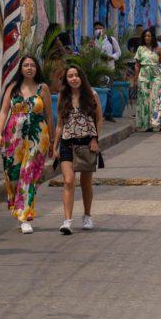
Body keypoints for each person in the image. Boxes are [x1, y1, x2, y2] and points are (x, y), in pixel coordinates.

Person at [0, 55, 54, 234]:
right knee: (13, 175)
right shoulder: (13, 88)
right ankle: (18, 206)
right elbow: (4, 111)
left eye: (32, 65)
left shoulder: (42, 88)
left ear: (37, 68)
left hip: (38, 138)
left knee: (28, 173)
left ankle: (25, 216)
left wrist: (52, 141)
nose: (29, 68)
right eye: (26, 65)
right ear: (20, 69)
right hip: (14, 138)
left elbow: (50, 116)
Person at [53, 64, 103, 235]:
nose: (74, 78)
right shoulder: (63, 96)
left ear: (81, 77)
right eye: (70, 76)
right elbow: (60, 123)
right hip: (67, 143)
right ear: (66, 80)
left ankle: (87, 215)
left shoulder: (92, 95)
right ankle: (67, 221)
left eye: (76, 75)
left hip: (86, 144)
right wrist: (55, 146)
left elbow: (99, 120)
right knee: (68, 181)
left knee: (85, 182)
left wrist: (95, 139)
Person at [133, 28, 161, 132]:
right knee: (144, 101)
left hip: (156, 76)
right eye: (145, 36)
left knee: (155, 100)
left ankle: (154, 123)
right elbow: (137, 65)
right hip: (143, 75)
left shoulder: (158, 49)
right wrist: (135, 79)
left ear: (153, 37)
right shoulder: (140, 49)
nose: (147, 38)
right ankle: (144, 124)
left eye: (149, 36)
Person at [94, 20, 121, 122]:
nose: (98, 30)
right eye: (96, 29)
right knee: (99, 90)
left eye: (100, 28)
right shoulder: (95, 41)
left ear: (104, 29)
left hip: (109, 69)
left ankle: (108, 113)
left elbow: (118, 52)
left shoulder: (111, 40)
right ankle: (99, 112)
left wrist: (112, 57)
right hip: (98, 70)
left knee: (108, 91)